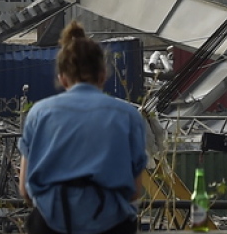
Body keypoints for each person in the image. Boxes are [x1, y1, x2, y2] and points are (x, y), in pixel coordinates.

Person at [19, 21, 148, 234]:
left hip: (51, 223)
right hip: (111, 224)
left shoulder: (39, 114)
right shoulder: (128, 116)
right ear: (103, 75)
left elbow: (25, 189)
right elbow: (134, 192)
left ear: (62, 78)